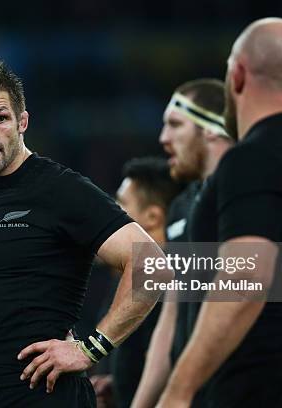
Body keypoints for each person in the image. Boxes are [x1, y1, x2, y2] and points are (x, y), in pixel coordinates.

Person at [0, 58, 172, 408]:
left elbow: (152, 265)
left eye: (0, 118)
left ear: (22, 122)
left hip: (48, 397)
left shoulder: (60, 190)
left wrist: (90, 348)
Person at [156, 18, 282, 407]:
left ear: (238, 76)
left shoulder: (253, 159)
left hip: (255, 386)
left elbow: (245, 278)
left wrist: (179, 392)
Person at [131, 79, 234, 408]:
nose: (163, 139)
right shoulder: (183, 207)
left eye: (175, 125)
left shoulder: (248, 200)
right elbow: (171, 319)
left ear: (212, 129)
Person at [90, 157, 184, 408]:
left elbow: (168, 360)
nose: (108, 213)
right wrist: (120, 383)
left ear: (153, 216)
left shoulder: (172, 285)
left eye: (120, 204)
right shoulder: (128, 279)